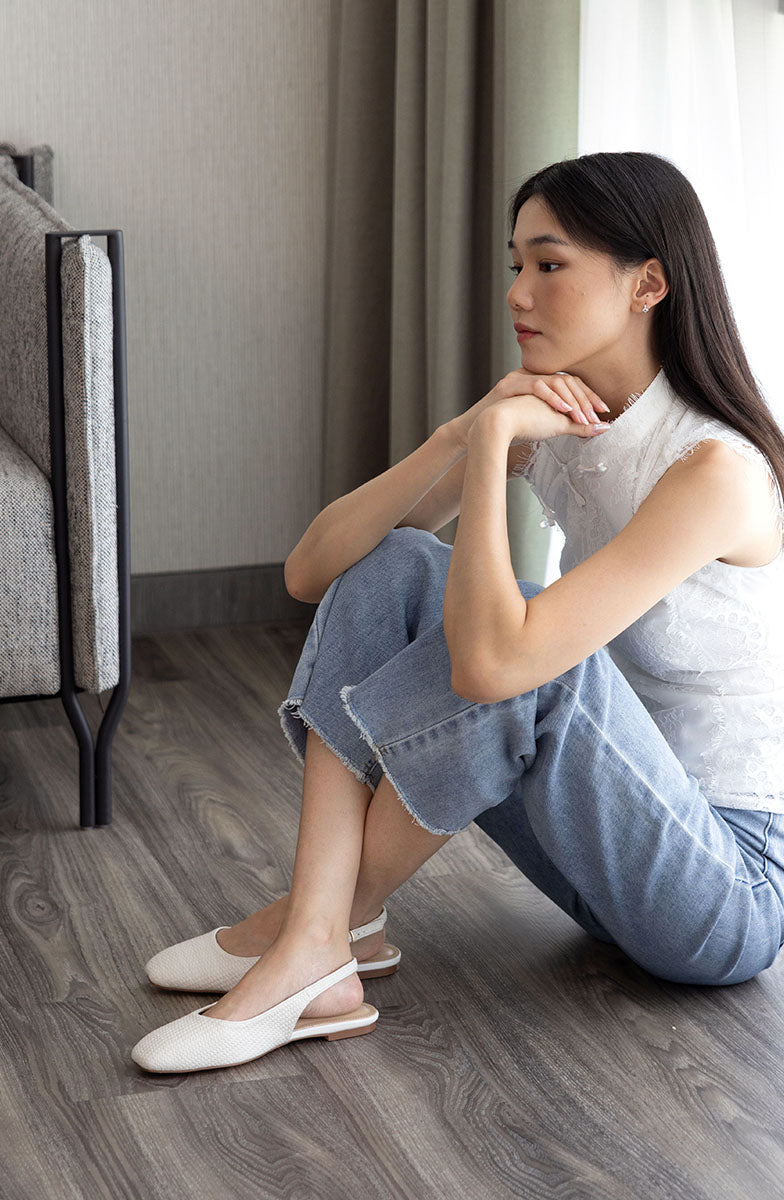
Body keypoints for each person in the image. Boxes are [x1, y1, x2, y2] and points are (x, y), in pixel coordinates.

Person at [132, 151, 784, 1075]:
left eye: (548, 265)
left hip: (720, 896)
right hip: (594, 860)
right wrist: (464, 431)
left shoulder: (713, 470)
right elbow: (315, 570)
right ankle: (324, 932)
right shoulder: (565, 418)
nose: (518, 292)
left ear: (649, 284)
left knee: (533, 652)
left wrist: (493, 452)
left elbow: (495, 671)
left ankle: (312, 934)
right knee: (392, 560)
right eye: (515, 264)